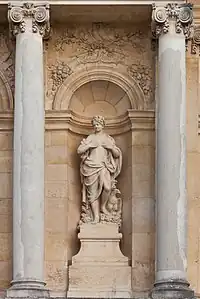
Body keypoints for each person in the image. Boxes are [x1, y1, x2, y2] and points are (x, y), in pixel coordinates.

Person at [77, 115, 122, 223]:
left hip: (104, 166)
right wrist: (89, 146)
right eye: (95, 124)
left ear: (103, 125)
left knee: (107, 188)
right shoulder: (90, 138)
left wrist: (110, 147)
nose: (96, 126)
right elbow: (79, 150)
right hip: (90, 167)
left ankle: (103, 207)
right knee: (92, 193)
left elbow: (116, 154)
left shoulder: (108, 138)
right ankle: (96, 216)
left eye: (98, 124)